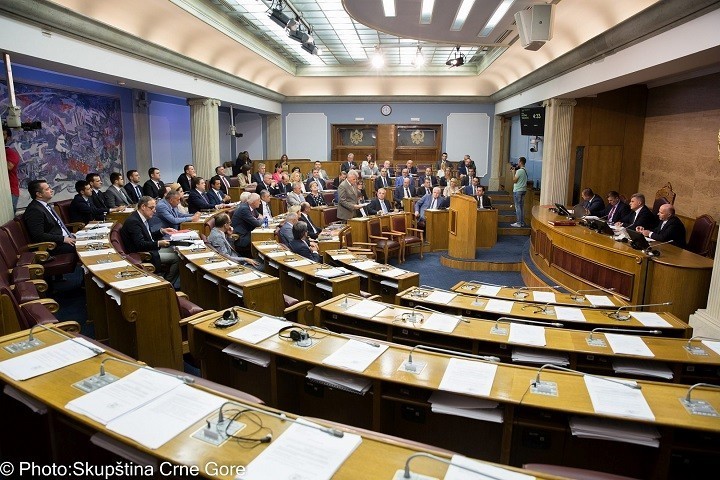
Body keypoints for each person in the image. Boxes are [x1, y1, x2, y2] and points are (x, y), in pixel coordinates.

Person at [120, 196, 180, 286]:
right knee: (178, 258)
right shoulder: (133, 222)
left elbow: (147, 235)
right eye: (152, 208)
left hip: (151, 248)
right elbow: (140, 244)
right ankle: (167, 284)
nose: (154, 211)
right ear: (143, 207)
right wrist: (159, 243)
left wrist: (162, 231)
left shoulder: (141, 217)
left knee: (175, 250)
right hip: (144, 253)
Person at [24, 180, 76, 255]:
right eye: (47, 189)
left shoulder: (44, 205)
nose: (51, 190)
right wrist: (63, 239)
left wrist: (69, 234)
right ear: (39, 194)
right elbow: (39, 235)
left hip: (63, 239)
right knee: (85, 247)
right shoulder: (34, 210)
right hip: (52, 246)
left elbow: (56, 226)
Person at [3, 126, 20, 212]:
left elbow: (9, 166)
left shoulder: (10, 152)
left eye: (3, 134)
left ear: (8, 138)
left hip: (10, 192)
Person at [511, 157, 527, 227]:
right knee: (521, 207)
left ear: (520, 162)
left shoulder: (519, 171)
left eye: (518, 161)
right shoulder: (525, 170)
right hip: (523, 190)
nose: (518, 163)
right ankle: (522, 222)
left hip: (518, 190)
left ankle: (519, 223)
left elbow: (514, 180)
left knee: (518, 207)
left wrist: (513, 173)